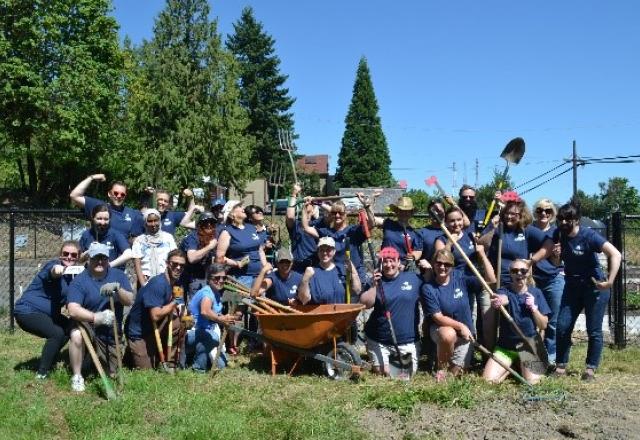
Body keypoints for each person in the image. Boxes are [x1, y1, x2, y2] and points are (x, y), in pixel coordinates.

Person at [553, 203, 621, 381]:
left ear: (576, 220)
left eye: (568, 219)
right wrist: (555, 255)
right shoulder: (559, 234)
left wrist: (610, 281)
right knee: (562, 326)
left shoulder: (589, 236)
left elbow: (615, 254)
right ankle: (560, 366)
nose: (564, 222)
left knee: (594, 330)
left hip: (594, 288)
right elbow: (555, 263)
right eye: (561, 219)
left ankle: (590, 368)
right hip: (572, 287)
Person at [483, 198, 554, 349]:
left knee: (526, 320)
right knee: (490, 323)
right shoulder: (497, 229)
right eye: (507, 213)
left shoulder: (526, 230)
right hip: (498, 282)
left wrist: (532, 261)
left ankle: (533, 352)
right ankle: (490, 356)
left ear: (521, 215)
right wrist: (492, 228)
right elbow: (481, 244)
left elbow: (549, 243)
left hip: (521, 283)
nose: (509, 217)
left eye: (514, 214)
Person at [66, 243, 134, 392]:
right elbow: (72, 310)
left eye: (103, 258)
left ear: (108, 259)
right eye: (96, 258)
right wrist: (96, 317)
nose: (100, 262)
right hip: (88, 327)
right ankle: (77, 376)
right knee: (76, 335)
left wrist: (118, 290)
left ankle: (90, 358)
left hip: (110, 333)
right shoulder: (79, 281)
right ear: (89, 259)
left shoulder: (118, 276)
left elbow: (129, 300)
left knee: (112, 373)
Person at [422, 248, 495, 381]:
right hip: (442, 330)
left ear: (452, 266)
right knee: (448, 334)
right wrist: (461, 326)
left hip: (465, 335)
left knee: (456, 375)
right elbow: (437, 317)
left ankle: (446, 363)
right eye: (438, 263)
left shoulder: (460, 277)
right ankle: (440, 368)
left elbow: (490, 280)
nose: (442, 267)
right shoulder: (428, 288)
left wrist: (483, 255)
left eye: (447, 264)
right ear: (433, 264)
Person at [14, 241, 81, 379]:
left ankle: (50, 357)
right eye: (65, 254)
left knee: (69, 326)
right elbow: (53, 272)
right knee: (56, 334)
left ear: (78, 257)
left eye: (73, 255)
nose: (69, 257)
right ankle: (42, 372)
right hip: (27, 311)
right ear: (60, 255)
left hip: (49, 314)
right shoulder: (52, 265)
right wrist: (58, 270)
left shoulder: (73, 276)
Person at [360, 247, 426, 376]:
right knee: (384, 372)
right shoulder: (376, 280)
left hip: (407, 340)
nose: (389, 265)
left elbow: (429, 286)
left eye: (392, 261)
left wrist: (428, 269)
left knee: (405, 376)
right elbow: (365, 304)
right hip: (379, 339)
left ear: (399, 262)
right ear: (380, 263)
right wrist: (374, 286)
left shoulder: (413, 279)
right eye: (385, 261)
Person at [482, 260, 550, 385]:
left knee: (532, 383)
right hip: (505, 348)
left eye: (523, 271)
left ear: (528, 273)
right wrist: (500, 300)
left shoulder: (536, 293)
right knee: (488, 382)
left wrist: (534, 309)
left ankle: (518, 366)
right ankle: (512, 368)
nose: (519, 274)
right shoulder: (504, 290)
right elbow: (503, 298)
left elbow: (543, 325)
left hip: (527, 347)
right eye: (514, 271)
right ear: (510, 274)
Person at [124, 249, 188, 370]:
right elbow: (155, 315)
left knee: (179, 323)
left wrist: (187, 319)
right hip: (138, 332)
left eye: (182, 265)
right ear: (167, 263)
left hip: (154, 327)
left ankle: (170, 362)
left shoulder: (177, 283)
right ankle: (132, 353)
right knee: (147, 372)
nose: (178, 268)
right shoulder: (158, 283)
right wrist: (174, 302)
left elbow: (180, 305)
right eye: (174, 264)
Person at [301, 196, 369, 288]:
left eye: (340, 213)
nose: (337, 215)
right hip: (336, 278)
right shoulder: (326, 232)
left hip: (355, 278)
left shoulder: (353, 231)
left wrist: (367, 205)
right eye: (334, 213)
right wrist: (306, 207)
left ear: (345, 214)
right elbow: (306, 227)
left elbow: (371, 224)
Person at [531, 199, 565, 367]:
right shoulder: (528, 230)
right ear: (535, 212)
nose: (543, 213)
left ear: (552, 214)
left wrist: (557, 256)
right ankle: (533, 355)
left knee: (552, 321)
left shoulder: (557, 232)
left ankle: (552, 356)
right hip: (533, 280)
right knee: (532, 318)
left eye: (548, 211)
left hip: (553, 279)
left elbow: (557, 263)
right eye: (539, 210)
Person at [187, 264, 239, 372]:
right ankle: (198, 368)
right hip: (193, 333)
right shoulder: (207, 292)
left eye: (223, 278)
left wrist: (225, 317)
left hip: (207, 332)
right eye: (217, 278)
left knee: (221, 365)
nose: (220, 281)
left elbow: (214, 313)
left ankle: (196, 357)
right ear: (209, 278)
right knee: (211, 337)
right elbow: (205, 311)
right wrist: (221, 319)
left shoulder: (216, 293)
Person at [70, 174, 143, 239]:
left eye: (122, 194)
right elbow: (74, 196)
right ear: (109, 194)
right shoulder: (98, 206)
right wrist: (92, 178)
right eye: (116, 193)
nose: (119, 196)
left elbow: (135, 239)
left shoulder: (133, 214)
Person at [216, 200, 266, 287]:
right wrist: (236, 263)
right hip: (242, 278)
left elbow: (260, 250)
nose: (243, 208)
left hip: (260, 275)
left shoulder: (251, 228)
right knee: (245, 301)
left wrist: (265, 267)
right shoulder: (227, 232)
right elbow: (219, 258)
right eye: (239, 206)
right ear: (232, 214)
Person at [298, 237, 361, 305]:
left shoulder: (342, 269)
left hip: (341, 313)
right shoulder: (311, 272)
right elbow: (304, 300)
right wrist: (305, 280)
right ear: (318, 252)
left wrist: (354, 272)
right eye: (321, 250)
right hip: (321, 314)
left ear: (334, 251)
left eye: (328, 250)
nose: (325, 253)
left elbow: (357, 290)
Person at [370, 196, 423, 270]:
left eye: (407, 211)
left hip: (402, 268)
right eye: (401, 210)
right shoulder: (388, 224)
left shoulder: (414, 232)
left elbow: (418, 250)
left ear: (411, 213)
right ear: (396, 212)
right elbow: (371, 220)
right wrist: (369, 205)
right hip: (385, 265)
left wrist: (413, 256)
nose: (404, 213)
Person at [132, 208, 177, 287]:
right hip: (146, 280)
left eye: (155, 220)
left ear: (159, 221)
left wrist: (170, 281)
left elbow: (174, 258)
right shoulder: (139, 240)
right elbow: (137, 264)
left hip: (165, 279)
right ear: (145, 223)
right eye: (150, 221)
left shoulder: (168, 238)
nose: (153, 224)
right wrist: (143, 285)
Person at [285, 183, 325, 274]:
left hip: (315, 265)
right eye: (304, 202)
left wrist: (316, 201)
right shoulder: (296, 225)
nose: (307, 203)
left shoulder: (319, 223)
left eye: (311, 204)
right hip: (298, 266)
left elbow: (331, 213)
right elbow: (290, 216)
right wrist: (294, 194)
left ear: (314, 208)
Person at [78, 204, 132, 271]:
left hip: (110, 274)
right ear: (92, 217)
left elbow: (129, 254)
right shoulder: (86, 234)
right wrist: (89, 251)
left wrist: (109, 265)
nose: (103, 222)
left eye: (106, 219)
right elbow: (79, 259)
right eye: (99, 219)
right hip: (90, 274)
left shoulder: (115, 234)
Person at [180, 212, 218, 294]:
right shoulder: (193, 237)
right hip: (188, 276)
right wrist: (210, 247)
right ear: (199, 225)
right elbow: (192, 258)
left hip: (203, 276)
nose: (209, 225)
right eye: (205, 222)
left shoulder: (213, 237)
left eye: (212, 222)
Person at [418, 198, 446, 263]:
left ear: (445, 211)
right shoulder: (422, 232)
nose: (435, 213)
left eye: (438, 210)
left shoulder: (451, 230)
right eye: (432, 211)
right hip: (428, 270)